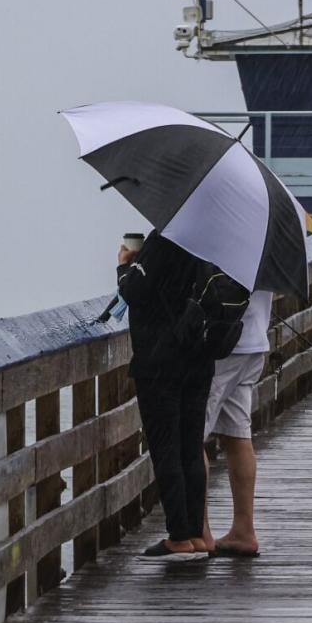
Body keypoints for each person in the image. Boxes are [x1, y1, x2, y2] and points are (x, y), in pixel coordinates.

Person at [116, 231, 212, 561]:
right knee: (190, 446)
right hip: (199, 358)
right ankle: (196, 535)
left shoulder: (165, 240)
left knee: (166, 447)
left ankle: (179, 537)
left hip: (160, 362)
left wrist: (126, 265)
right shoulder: (210, 241)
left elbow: (134, 292)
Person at [201, 289, 273, 558]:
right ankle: (243, 530)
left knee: (190, 437)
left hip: (221, 343)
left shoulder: (225, 246)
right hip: (254, 341)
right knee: (237, 435)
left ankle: (200, 531)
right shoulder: (266, 248)